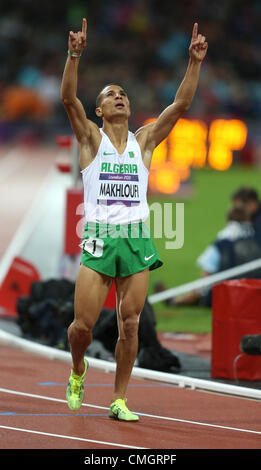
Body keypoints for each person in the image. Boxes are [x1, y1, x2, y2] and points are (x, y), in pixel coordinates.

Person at [61, 18, 207, 421]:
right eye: (111, 95)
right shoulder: (92, 139)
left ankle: (119, 399)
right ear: (100, 109)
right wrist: (74, 55)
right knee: (82, 328)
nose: (120, 97)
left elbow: (180, 107)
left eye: (123, 93)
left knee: (130, 323)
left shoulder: (144, 141)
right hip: (99, 237)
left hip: (137, 237)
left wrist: (193, 63)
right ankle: (77, 369)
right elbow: (68, 99)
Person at [154, 206, 261, 307]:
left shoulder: (222, 243)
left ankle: (175, 301)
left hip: (226, 296)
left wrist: (202, 293)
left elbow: (205, 276)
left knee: (202, 289)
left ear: (227, 220)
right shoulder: (257, 239)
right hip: (255, 295)